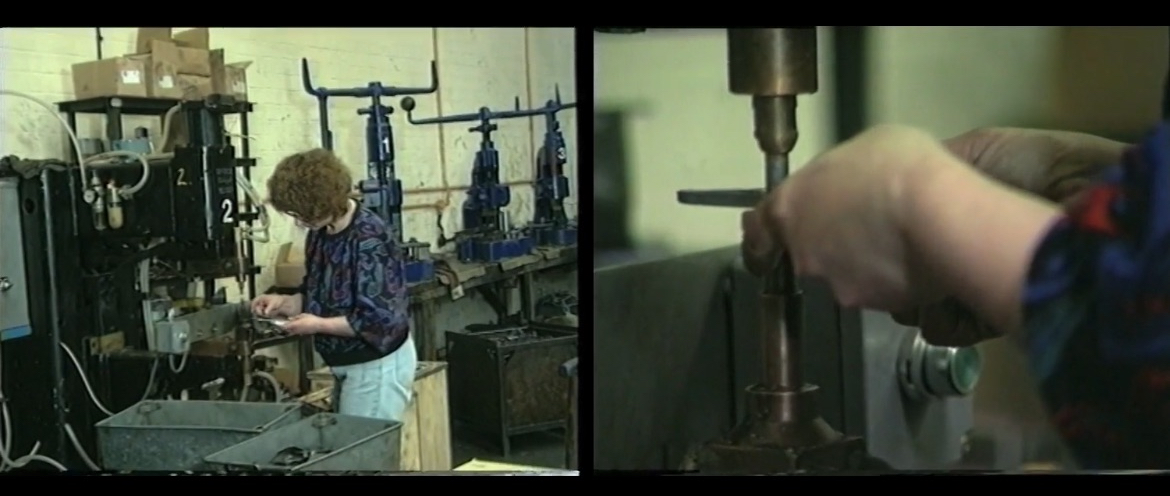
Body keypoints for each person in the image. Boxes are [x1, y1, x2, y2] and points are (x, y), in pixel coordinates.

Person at [251, 148, 416, 422]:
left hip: (375, 367)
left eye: (303, 214)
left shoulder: (369, 239)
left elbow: (377, 320)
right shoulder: (321, 233)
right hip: (345, 365)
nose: (299, 221)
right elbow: (320, 294)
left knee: (363, 458)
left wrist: (316, 325)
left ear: (325, 203)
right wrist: (286, 303)